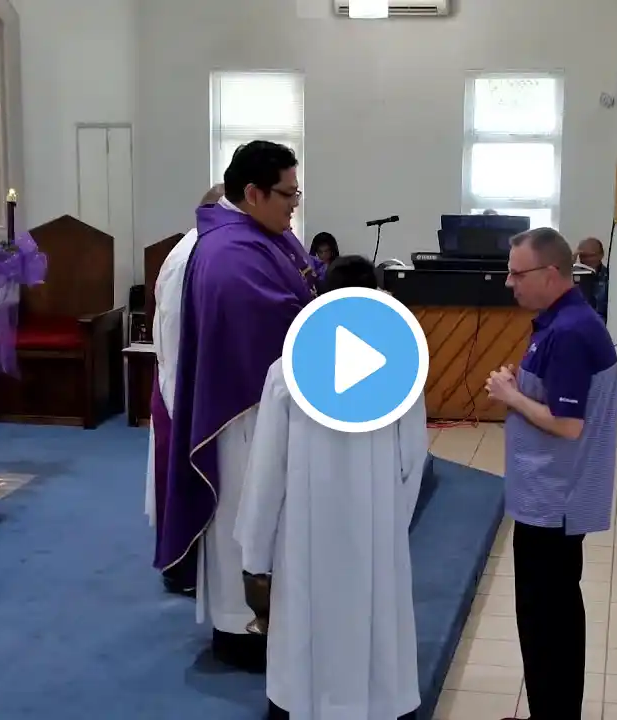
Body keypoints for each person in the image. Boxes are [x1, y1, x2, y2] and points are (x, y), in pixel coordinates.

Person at [235, 254, 427, 720]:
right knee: (376, 633)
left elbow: (266, 471)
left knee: (307, 636)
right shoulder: (399, 369)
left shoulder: (288, 371)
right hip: (375, 531)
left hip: (308, 533)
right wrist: (392, 523)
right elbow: (413, 460)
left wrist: (256, 554)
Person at [158, 140, 318, 672]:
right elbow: (272, 325)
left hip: (263, 406)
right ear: (253, 194)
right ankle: (241, 626)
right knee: (245, 518)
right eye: (287, 194)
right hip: (242, 412)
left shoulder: (258, 233)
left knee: (264, 517)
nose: (294, 204)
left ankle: (271, 619)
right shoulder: (229, 253)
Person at [485, 227, 617, 720]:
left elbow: (567, 424)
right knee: (546, 618)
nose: (509, 282)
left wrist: (510, 396)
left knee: (549, 622)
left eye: (517, 274)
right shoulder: (561, 321)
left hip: (555, 501)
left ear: (551, 273)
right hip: (546, 496)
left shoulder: (570, 333)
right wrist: (520, 387)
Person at [145, 184, 225, 597]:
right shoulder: (195, 254)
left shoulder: (201, 247)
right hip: (184, 387)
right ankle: (185, 566)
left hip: (183, 381)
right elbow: (179, 329)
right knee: (190, 477)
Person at [574, 237, 609, 323]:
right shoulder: (572, 276)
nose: (587, 260)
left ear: (601, 255)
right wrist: (568, 264)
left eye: (591, 255)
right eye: (583, 256)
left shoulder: (610, 276)